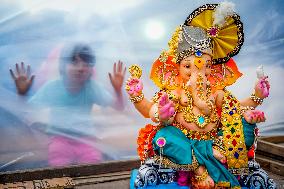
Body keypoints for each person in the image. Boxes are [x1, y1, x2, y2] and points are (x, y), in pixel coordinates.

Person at [126, 2, 271, 189]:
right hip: (185, 143)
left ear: (212, 67)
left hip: (215, 140)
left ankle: (213, 152)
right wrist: (146, 103)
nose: (198, 72)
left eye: (206, 66)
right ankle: (200, 168)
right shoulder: (174, 92)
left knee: (246, 125)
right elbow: (149, 110)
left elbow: (236, 107)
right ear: (176, 66)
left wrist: (257, 96)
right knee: (164, 137)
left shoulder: (215, 92)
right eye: (188, 66)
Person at [10, 43, 126, 166]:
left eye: (86, 63)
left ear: (91, 68)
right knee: (59, 168)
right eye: (74, 62)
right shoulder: (52, 87)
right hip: (60, 139)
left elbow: (119, 107)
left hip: (86, 139)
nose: (80, 68)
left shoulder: (92, 87)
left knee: (92, 168)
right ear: (63, 66)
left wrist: (117, 89)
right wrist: (21, 93)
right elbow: (26, 110)